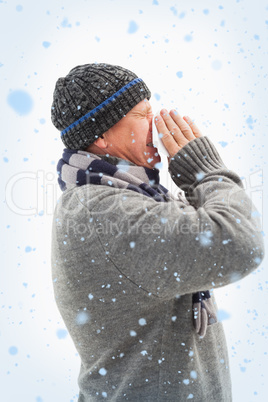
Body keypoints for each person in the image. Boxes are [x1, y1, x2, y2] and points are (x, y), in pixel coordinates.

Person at [50, 63, 264, 401]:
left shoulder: (120, 196)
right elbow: (238, 242)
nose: (157, 124)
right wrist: (205, 171)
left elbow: (202, 228)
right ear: (101, 135)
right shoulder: (106, 211)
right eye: (143, 113)